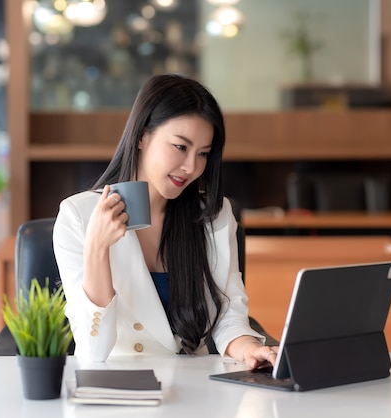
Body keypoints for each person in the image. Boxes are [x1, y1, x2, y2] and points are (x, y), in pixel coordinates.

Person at [53, 73, 278, 368]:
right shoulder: (78, 216)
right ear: (143, 136)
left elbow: (229, 316)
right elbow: (94, 350)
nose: (191, 167)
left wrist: (248, 348)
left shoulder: (213, 214)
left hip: (193, 387)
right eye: (180, 147)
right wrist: (97, 248)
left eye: (203, 154)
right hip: (116, 389)